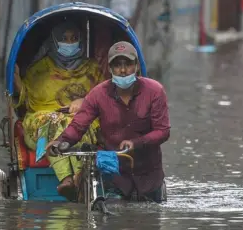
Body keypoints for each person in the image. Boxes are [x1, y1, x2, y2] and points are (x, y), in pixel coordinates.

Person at [47, 41, 171, 203]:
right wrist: (61, 142)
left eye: (128, 64)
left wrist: (137, 143)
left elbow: (163, 131)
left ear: (137, 66)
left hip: (149, 176)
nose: (123, 70)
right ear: (110, 69)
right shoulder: (98, 94)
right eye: (117, 65)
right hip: (115, 175)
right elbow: (79, 125)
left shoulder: (154, 91)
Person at [12, 20, 104, 201]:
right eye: (64, 39)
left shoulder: (93, 70)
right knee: (56, 121)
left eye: (74, 39)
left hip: (82, 120)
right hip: (41, 122)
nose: (69, 43)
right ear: (54, 41)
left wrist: (85, 101)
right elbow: (25, 101)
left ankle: (77, 178)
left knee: (76, 123)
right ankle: (68, 179)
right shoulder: (38, 70)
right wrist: (15, 80)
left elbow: (105, 98)